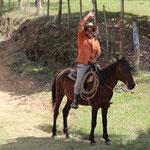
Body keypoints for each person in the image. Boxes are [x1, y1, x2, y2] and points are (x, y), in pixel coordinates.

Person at [71, 11, 101, 109]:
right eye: (87, 30)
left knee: (102, 77)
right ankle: (76, 100)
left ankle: (103, 98)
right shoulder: (81, 37)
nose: (89, 31)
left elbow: (99, 53)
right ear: (85, 31)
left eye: (91, 30)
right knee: (79, 81)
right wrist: (88, 15)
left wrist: (95, 59)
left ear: (93, 31)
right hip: (83, 64)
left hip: (93, 64)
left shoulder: (96, 41)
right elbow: (81, 24)